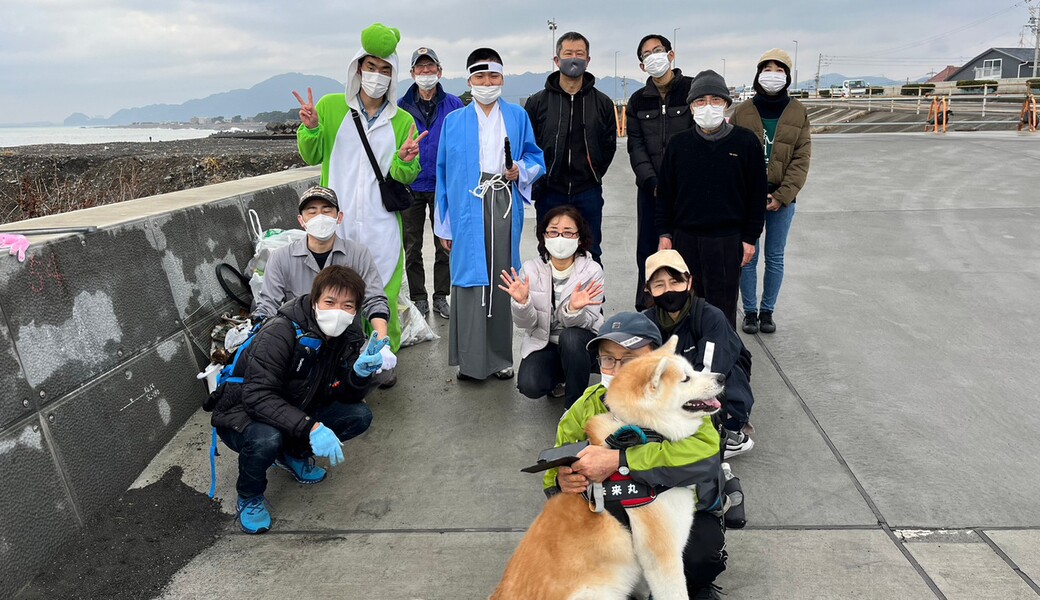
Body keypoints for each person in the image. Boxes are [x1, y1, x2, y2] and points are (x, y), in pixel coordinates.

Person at [542, 311, 727, 599]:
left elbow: (705, 458)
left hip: (677, 511)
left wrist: (621, 461)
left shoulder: (683, 399)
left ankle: (695, 584)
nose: (616, 370)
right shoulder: (584, 408)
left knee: (700, 553)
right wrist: (563, 483)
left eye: (628, 360)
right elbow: (554, 471)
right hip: (614, 512)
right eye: (608, 359)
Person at [211, 266, 386, 534]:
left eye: (347, 305)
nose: (337, 311)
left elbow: (346, 394)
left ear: (356, 310)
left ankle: (293, 454)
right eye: (330, 302)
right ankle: (249, 497)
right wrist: (311, 427)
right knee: (267, 438)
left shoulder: (349, 334)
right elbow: (257, 396)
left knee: (359, 416)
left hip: (297, 404)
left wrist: (360, 374)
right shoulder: (280, 331)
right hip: (243, 412)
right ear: (315, 301)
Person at [294, 22, 423, 354]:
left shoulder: (403, 120)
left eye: (384, 69)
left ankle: (383, 353)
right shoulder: (331, 107)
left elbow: (403, 175)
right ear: (358, 68)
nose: (376, 75)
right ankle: (338, 355)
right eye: (370, 67)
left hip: (381, 222)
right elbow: (312, 153)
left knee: (384, 291)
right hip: (340, 220)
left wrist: (407, 160)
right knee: (336, 289)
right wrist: (309, 129)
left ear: (393, 76)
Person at [434, 48, 545, 381]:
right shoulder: (453, 122)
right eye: (480, 77)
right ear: (470, 81)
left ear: (502, 79)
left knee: (502, 275)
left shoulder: (517, 116)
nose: (487, 82)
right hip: (465, 203)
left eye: (493, 76)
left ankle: (499, 358)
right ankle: (470, 362)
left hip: (502, 198)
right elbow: (442, 173)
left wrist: (519, 171)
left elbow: (534, 157)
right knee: (468, 281)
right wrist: (445, 225)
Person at [656, 70, 767, 329]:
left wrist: (750, 238)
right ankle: (689, 358)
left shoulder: (746, 143)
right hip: (685, 239)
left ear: (726, 104)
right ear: (691, 107)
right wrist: (664, 233)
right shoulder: (678, 145)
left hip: (727, 240)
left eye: (715, 100)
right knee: (686, 304)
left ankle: (723, 360)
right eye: (700, 101)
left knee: (722, 307)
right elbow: (665, 195)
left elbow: (756, 196)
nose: (708, 107)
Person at [254, 185, 397, 386]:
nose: (319, 216)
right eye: (311, 211)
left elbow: (375, 300)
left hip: (346, 340)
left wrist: (382, 343)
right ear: (301, 221)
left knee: (382, 374)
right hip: (300, 341)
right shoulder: (280, 258)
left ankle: (345, 384)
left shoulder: (358, 253)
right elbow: (268, 305)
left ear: (339, 217)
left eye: (327, 210)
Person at [641, 249, 756, 458]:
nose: (669, 290)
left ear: (689, 282)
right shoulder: (645, 322)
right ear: (648, 290)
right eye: (659, 285)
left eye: (675, 281)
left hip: (714, 392)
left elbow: (708, 377)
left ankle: (729, 435)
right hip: (674, 396)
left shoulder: (710, 317)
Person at [731, 48, 812, 335]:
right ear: (758, 74)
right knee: (748, 255)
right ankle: (750, 312)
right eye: (768, 69)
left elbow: (802, 157)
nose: (773, 75)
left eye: (779, 70)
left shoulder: (798, 112)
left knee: (775, 256)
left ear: (788, 77)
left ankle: (768, 311)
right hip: (748, 198)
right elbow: (732, 156)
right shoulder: (742, 111)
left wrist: (782, 196)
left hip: (783, 198)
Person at [523, 31, 617, 263]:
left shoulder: (602, 102)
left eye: (579, 54)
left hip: (588, 191)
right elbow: (528, 145)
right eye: (568, 54)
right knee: (549, 250)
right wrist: (540, 180)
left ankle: (592, 300)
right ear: (556, 60)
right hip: (550, 190)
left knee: (591, 250)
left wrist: (593, 171)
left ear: (588, 59)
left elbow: (609, 145)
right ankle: (550, 299)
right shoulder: (538, 102)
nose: (573, 59)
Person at [499, 206, 604, 407]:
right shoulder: (531, 269)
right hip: (545, 343)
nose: (560, 238)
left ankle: (574, 406)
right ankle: (564, 376)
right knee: (530, 384)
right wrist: (522, 303)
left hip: (582, 341)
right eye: (553, 231)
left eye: (568, 232)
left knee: (571, 338)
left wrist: (573, 311)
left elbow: (589, 321)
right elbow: (527, 325)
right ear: (544, 236)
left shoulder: (592, 270)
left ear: (579, 238)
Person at [625, 34, 695, 311]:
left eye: (658, 50)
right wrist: (652, 181)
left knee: (687, 248)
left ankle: (688, 306)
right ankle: (648, 306)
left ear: (671, 54)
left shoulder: (691, 90)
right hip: (651, 190)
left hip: (687, 191)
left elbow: (697, 138)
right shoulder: (638, 100)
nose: (653, 56)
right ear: (642, 65)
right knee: (649, 248)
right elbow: (636, 146)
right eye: (646, 54)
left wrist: (685, 182)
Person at [397, 47, 463, 320]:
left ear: (439, 71)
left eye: (430, 68)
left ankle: (440, 296)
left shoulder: (455, 105)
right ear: (412, 73)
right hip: (411, 186)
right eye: (420, 68)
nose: (426, 73)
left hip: (442, 187)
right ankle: (418, 297)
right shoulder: (400, 107)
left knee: (444, 244)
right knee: (411, 247)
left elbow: (462, 144)